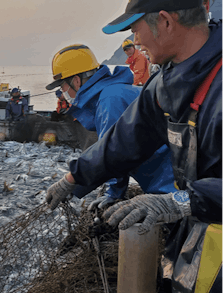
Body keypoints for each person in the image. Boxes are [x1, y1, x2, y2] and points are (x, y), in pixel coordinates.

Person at [45, 0, 222, 293]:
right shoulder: (166, 81)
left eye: (135, 27)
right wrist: (75, 177)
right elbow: (125, 139)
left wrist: (180, 202)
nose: (133, 40)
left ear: (165, 21)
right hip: (194, 228)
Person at [46, 44, 176, 209]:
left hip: (172, 182)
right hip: (167, 177)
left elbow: (114, 154)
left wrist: (113, 194)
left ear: (76, 81)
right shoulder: (113, 93)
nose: (63, 91)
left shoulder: (110, 100)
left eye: (62, 86)